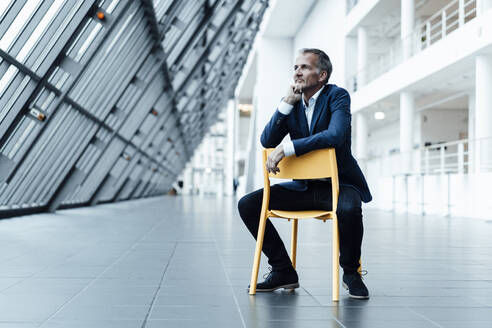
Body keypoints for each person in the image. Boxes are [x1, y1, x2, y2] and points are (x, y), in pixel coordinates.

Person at [238, 48, 372, 299]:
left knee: (349, 208)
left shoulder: (337, 96)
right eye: (295, 67)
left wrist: (288, 148)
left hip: (338, 185)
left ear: (322, 75)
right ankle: (282, 270)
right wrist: (286, 105)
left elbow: (335, 135)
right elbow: (267, 140)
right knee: (248, 205)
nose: (297, 72)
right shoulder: (293, 105)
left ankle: (351, 273)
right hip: (304, 188)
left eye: (305, 67)